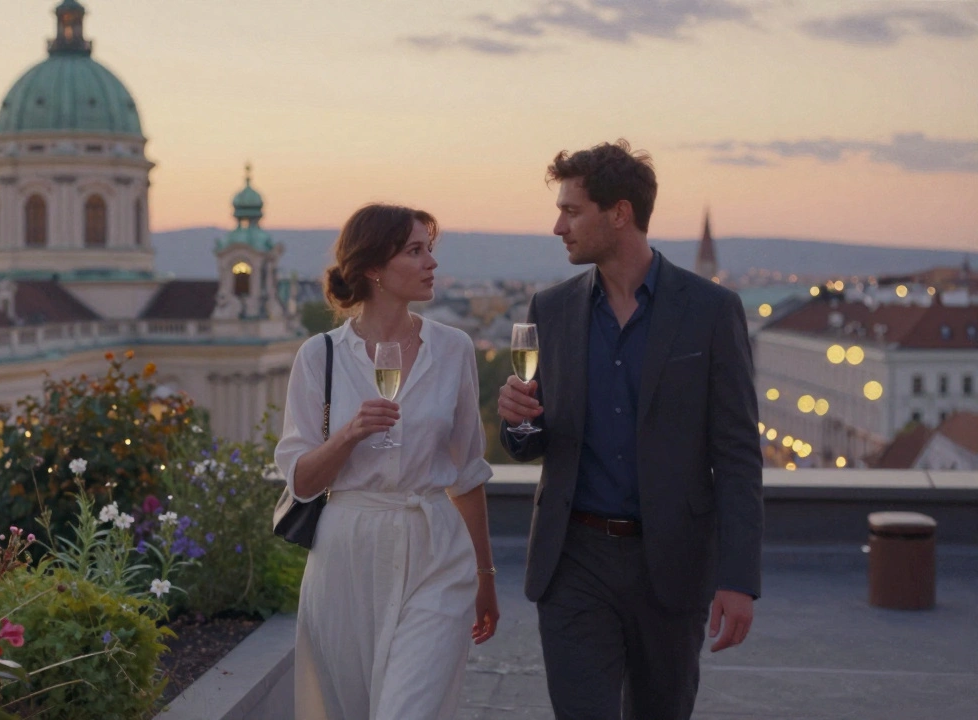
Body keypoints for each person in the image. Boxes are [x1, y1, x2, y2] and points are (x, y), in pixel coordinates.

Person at [497, 140, 763, 720]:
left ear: (619, 214)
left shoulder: (712, 311)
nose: (556, 226)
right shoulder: (551, 309)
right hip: (573, 561)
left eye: (571, 211)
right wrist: (517, 422)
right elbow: (532, 443)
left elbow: (738, 454)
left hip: (671, 563)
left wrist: (738, 578)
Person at [275, 203, 498, 720]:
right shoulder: (320, 356)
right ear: (374, 267)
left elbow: (468, 474)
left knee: (407, 711)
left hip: (436, 549)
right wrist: (349, 434)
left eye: (430, 250)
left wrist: (485, 574)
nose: (431, 263)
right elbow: (302, 481)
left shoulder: (454, 348)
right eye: (415, 251)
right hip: (347, 554)